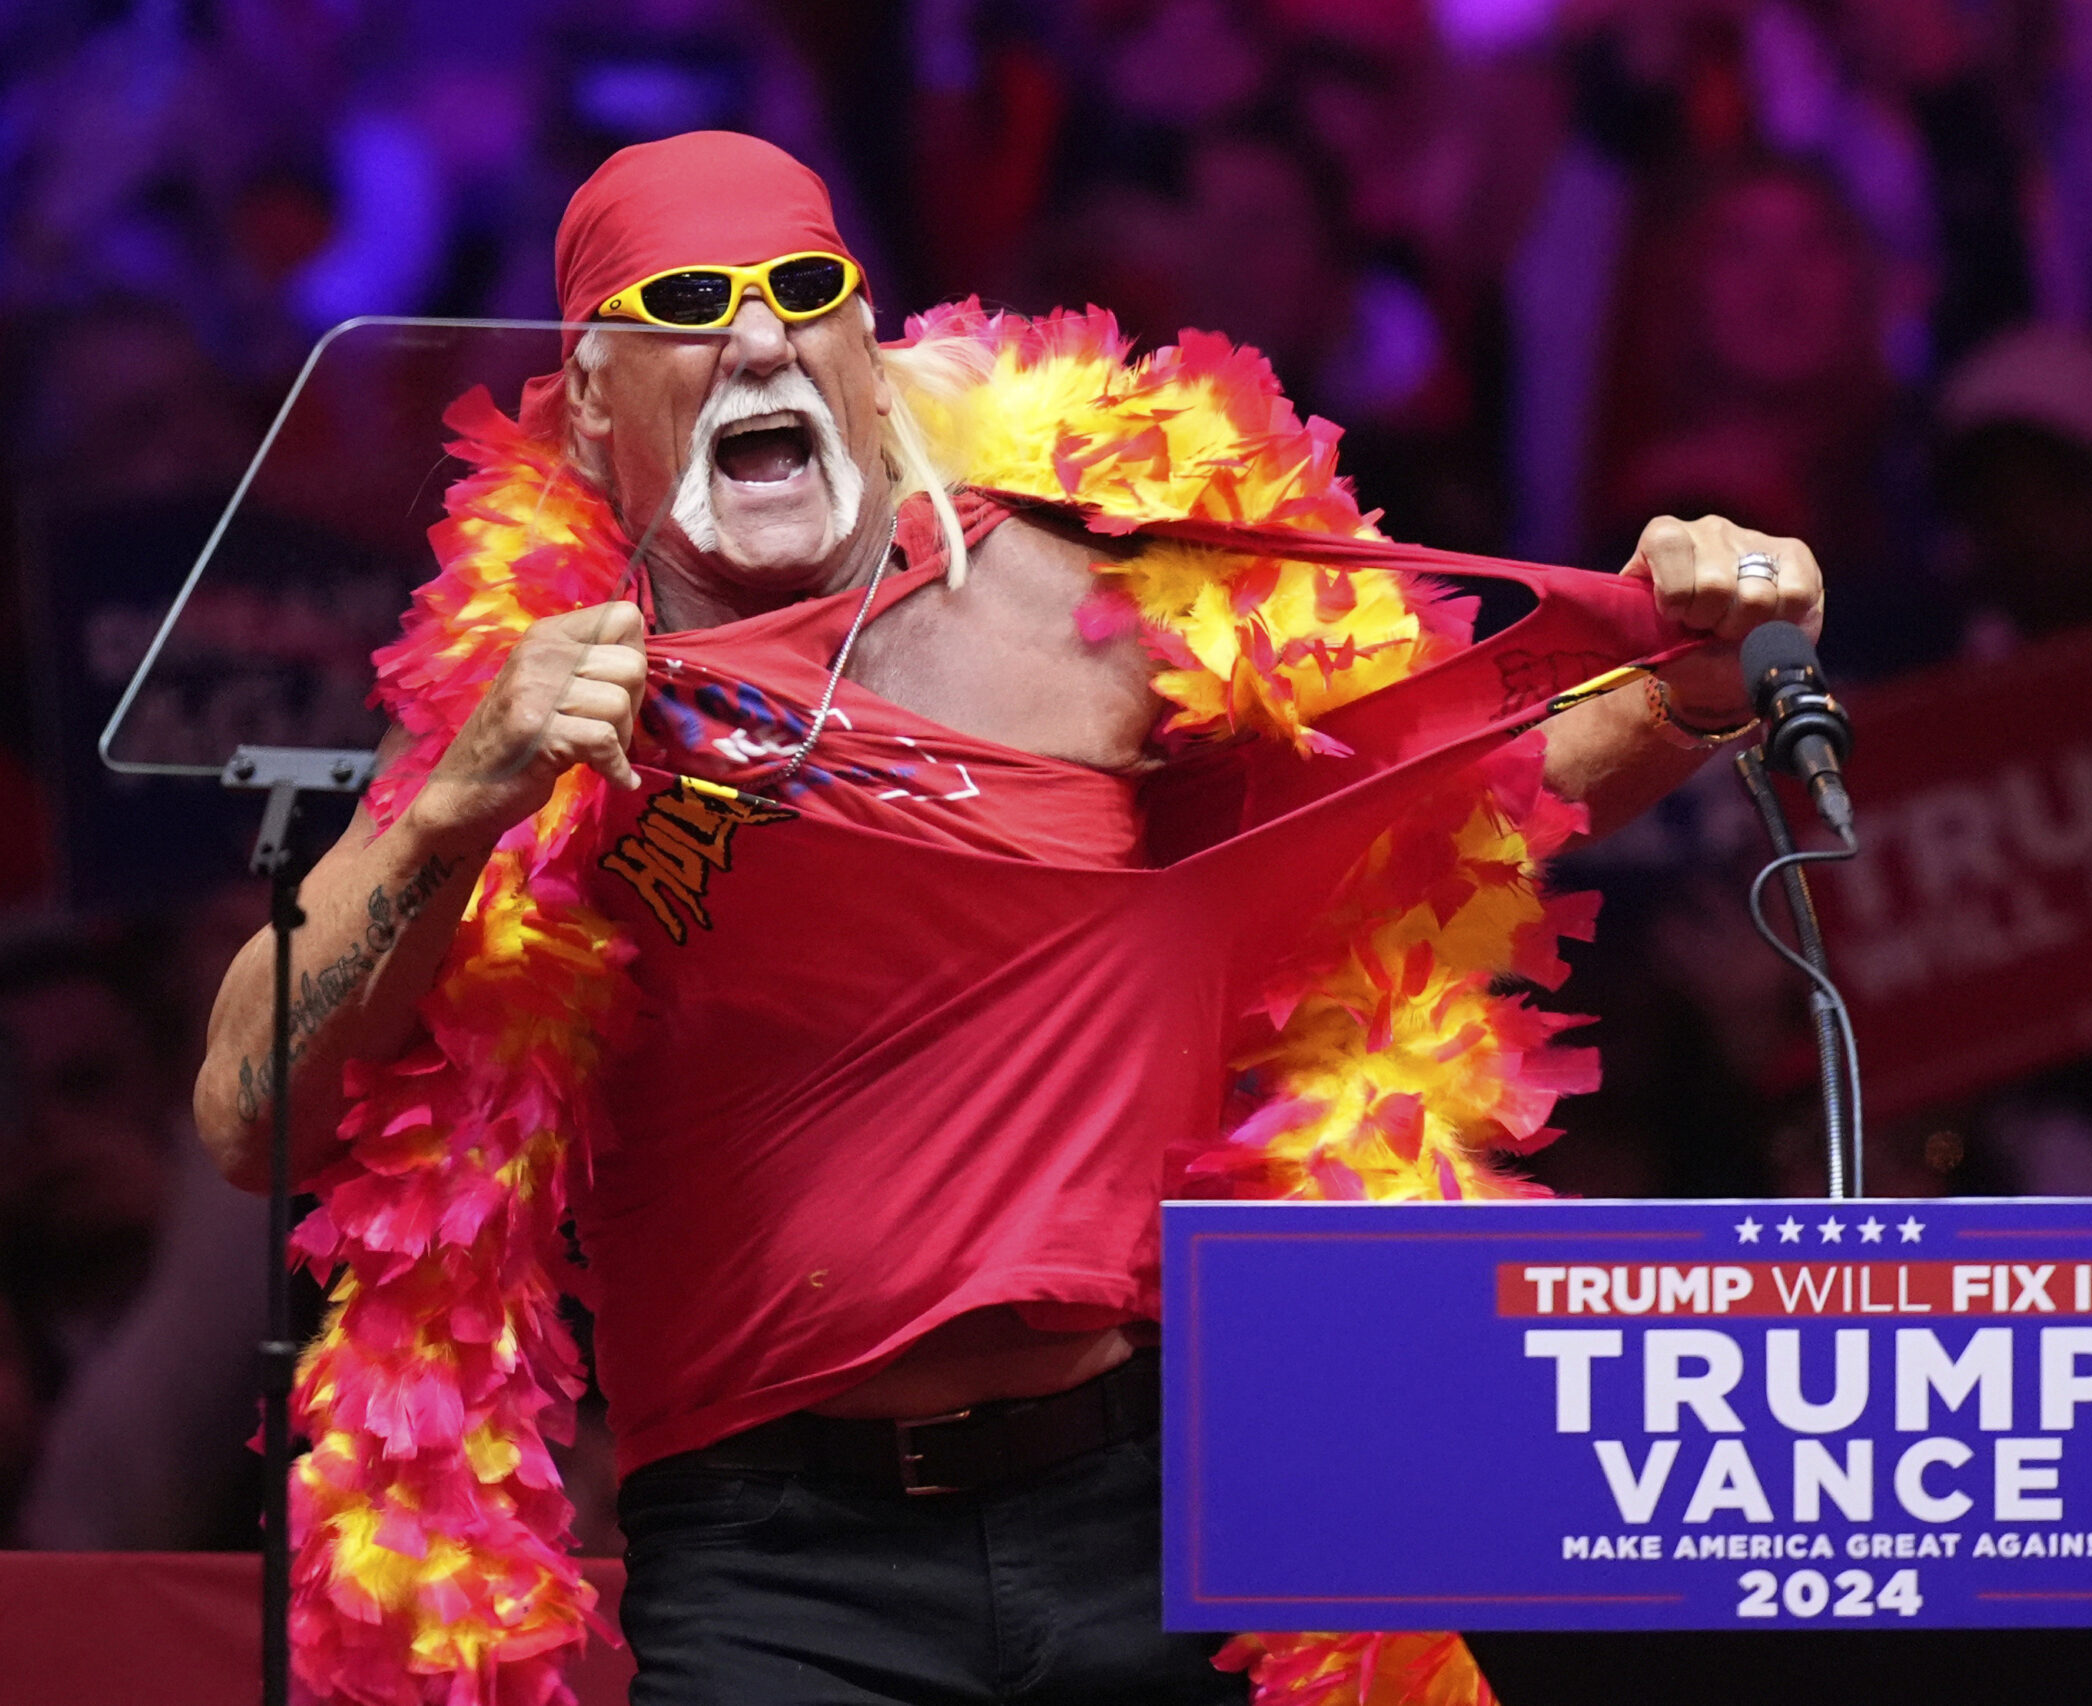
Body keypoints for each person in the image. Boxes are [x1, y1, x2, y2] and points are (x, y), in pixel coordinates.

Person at [193, 130, 1826, 1706]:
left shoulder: (1067, 601)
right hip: (780, 1564)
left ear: (868, 354)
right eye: (686, 306)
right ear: (593, 397)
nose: (757, 340)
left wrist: (1696, 682)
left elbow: (1453, 802)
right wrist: (462, 799)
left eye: (803, 291)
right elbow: (248, 1113)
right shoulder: (531, 696)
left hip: (1155, 1499)